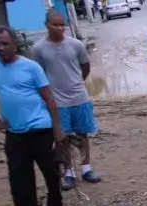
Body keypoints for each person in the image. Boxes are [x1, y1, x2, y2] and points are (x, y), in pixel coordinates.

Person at [0, 26, 67, 206]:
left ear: (14, 44)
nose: (0, 48)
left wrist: (57, 128)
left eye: (4, 43)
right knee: (18, 174)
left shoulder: (31, 67)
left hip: (40, 128)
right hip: (14, 132)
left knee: (51, 171)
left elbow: (49, 97)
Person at [34, 9, 102, 191]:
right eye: (54, 24)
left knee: (82, 134)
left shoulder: (76, 44)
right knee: (62, 138)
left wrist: (77, 82)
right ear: (46, 25)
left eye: (61, 24)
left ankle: (87, 168)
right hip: (57, 101)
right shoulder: (39, 49)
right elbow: (39, 75)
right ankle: (70, 172)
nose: (59, 28)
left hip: (79, 97)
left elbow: (85, 66)